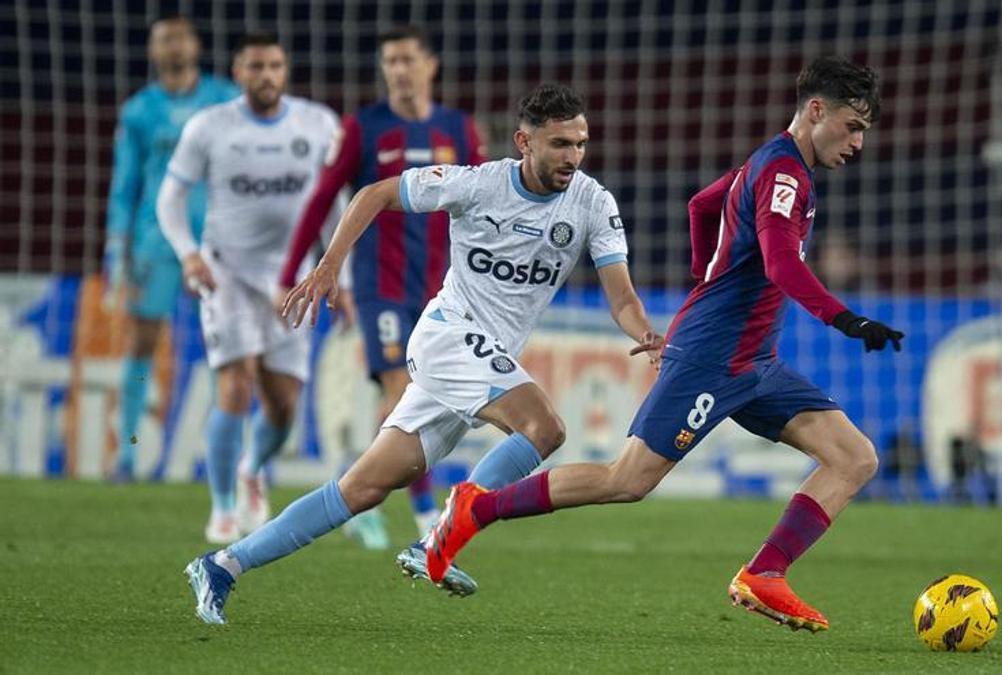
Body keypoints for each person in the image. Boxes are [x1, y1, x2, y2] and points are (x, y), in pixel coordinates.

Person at [423, 56, 904, 634]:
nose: (857, 142)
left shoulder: (772, 161)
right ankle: (477, 507)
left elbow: (702, 205)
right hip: (712, 356)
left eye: (863, 132)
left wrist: (705, 280)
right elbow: (778, 263)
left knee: (855, 457)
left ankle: (764, 575)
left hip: (753, 362)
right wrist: (845, 320)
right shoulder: (784, 176)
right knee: (627, 480)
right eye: (852, 126)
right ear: (817, 110)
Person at [184, 83, 662, 624]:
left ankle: (223, 563)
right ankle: (441, 535)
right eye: (560, 145)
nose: (572, 157)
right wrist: (328, 266)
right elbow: (373, 194)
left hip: (482, 357)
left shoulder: (592, 202)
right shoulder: (478, 184)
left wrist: (645, 332)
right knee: (543, 427)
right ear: (523, 141)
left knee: (361, 489)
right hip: (447, 336)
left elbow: (621, 296)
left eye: (580, 143)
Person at [278, 25, 487, 551]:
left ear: (430, 65)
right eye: (389, 60)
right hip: (381, 289)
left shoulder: (458, 130)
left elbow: (490, 203)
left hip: (444, 293)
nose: (398, 70)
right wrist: (297, 270)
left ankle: (356, 494)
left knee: (415, 407)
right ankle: (426, 523)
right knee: (404, 391)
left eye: (407, 59)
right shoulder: (363, 129)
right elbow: (324, 196)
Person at [157, 33, 349, 544]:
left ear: (286, 72)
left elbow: (335, 206)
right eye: (255, 66)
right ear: (238, 72)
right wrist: (188, 253)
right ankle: (222, 508)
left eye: (274, 66)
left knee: (283, 405)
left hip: (293, 280)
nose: (265, 75)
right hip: (227, 274)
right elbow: (170, 197)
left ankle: (252, 469)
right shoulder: (210, 127)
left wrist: (339, 277)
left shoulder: (318, 124)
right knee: (235, 384)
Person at [104, 15, 239, 481]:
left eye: (181, 37)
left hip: (219, 240)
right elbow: (124, 187)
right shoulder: (139, 111)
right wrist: (114, 247)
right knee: (142, 342)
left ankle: (227, 460)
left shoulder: (225, 99)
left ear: (196, 45)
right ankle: (128, 452)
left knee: (229, 346)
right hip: (156, 241)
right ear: (153, 51)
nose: (174, 47)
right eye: (164, 40)